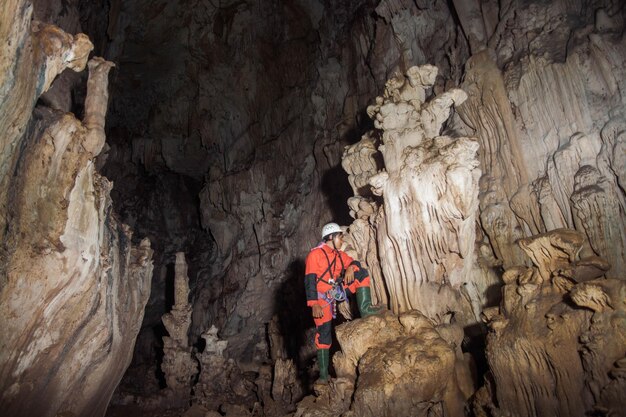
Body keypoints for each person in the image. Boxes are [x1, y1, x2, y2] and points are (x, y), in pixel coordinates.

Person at [304, 222, 380, 383]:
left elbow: (354, 262)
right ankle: (324, 375)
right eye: (340, 236)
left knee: (361, 274)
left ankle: (365, 309)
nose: (342, 239)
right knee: (324, 334)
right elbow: (309, 281)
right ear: (331, 237)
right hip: (321, 298)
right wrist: (314, 304)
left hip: (336, 291)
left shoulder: (339, 255)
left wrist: (352, 267)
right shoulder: (315, 255)